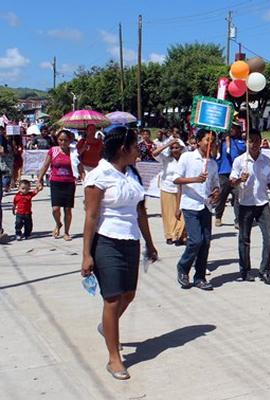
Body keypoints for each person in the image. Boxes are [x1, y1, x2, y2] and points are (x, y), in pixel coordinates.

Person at [81, 125, 158, 380]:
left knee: (129, 294)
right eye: (136, 146)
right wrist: (86, 254)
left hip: (131, 240)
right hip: (106, 241)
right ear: (123, 149)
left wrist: (150, 242)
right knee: (112, 298)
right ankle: (114, 358)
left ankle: (106, 326)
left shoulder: (132, 173)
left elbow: (141, 211)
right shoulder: (99, 176)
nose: (139, 150)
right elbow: (91, 215)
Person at [173, 129, 220, 291]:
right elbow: (176, 179)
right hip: (191, 204)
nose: (210, 143)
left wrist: (216, 192)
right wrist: (195, 179)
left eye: (212, 141)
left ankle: (200, 276)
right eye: (207, 140)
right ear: (199, 141)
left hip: (206, 206)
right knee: (195, 240)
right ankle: (183, 267)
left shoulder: (212, 163)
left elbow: (215, 184)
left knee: (206, 242)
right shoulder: (187, 157)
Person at [230, 130, 270, 284]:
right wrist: (239, 179)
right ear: (246, 143)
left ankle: (265, 270)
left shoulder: (266, 161)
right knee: (244, 238)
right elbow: (232, 182)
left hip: (262, 202)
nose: (255, 144)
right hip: (245, 203)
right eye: (251, 141)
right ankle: (245, 270)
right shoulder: (240, 161)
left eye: (257, 141)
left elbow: (269, 179)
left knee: (269, 237)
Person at [37, 130, 76, 241]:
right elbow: (45, 165)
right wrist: (39, 180)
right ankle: (58, 223)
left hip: (69, 183)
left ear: (70, 141)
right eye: (60, 140)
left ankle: (67, 232)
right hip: (55, 182)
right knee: (55, 209)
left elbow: (80, 166)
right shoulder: (53, 151)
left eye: (65, 140)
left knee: (68, 209)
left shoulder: (73, 152)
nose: (63, 142)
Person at [153, 138, 186, 246]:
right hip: (167, 187)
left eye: (177, 147)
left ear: (181, 148)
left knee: (182, 213)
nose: (174, 150)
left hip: (182, 188)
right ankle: (170, 235)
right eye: (172, 148)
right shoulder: (166, 158)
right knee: (168, 214)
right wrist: (168, 144)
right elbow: (155, 153)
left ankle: (180, 235)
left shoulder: (185, 159)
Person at [215, 123, 245, 228]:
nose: (231, 130)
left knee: (237, 197)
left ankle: (238, 220)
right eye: (230, 128)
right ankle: (218, 216)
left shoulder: (241, 143)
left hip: (236, 174)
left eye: (233, 128)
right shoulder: (221, 141)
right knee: (222, 196)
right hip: (223, 172)